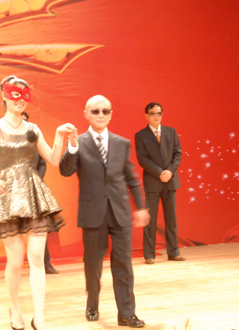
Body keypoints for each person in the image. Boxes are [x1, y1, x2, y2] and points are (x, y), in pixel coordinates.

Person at [0, 75, 77, 330]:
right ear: (4, 95)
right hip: (8, 198)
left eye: (25, 94)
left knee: (36, 257)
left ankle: (39, 317)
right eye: (15, 93)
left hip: (34, 195)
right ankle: (14, 307)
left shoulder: (33, 130)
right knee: (14, 262)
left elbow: (53, 159)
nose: (21, 99)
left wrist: (60, 135)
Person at [59, 95, 149, 328]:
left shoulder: (122, 143)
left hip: (120, 212)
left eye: (105, 111)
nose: (101, 115)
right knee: (93, 264)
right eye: (96, 111)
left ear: (111, 114)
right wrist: (71, 146)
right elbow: (65, 170)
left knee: (124, 265)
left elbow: (131, 178)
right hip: (92, 213)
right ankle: (92, 304)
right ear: (86, 114)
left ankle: (126, 314)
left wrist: (140, 207)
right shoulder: (78, 142)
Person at [135, 102, 185, 264]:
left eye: (159, 113)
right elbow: (143, 159)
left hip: (170, 180)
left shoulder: (171, 132)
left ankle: (173, 252)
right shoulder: (141, 135)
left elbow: (178, 153)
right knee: (151, 220)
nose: (156, 116)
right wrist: (160, 173)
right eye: (152, 113)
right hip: (153, 182)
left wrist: (170, 171)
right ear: (146, 115)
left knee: (171, 219)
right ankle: (149, 254)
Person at [21, 111, 60, 275]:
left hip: (36, 191)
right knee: (14, 231)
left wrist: (35, 180)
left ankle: (45, 264)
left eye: (24, 121)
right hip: (16, 192)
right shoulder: (8, 143)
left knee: (39, 228)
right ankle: (16, 266)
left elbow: (43, 163)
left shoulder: (36, 142)